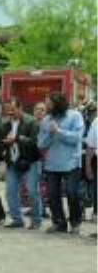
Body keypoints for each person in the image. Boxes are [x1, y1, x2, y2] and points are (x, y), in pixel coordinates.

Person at [38, 91, 85, 234]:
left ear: (58, 103)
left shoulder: (75, 116)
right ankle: (59, 223)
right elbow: (41, 144)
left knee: (72, 193)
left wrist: (59, 131)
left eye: (49, 104)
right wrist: (51, 135)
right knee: (52, 194)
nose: (47, 107)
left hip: (71, 162)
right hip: (52, 163)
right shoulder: (46, 120)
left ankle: (75, 222)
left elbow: (77, 138)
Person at [0, 100, 43, 230]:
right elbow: (2, 142)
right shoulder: (5, 124)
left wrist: (17, 139)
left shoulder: (31, 122)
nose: (10, 112)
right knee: (10, 191)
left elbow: (35, 143)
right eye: (7, 110)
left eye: (13, 109)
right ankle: (17, 219)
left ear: (20, 107)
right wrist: (4, 144)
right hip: (13, 162)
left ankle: (36, 220)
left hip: (30, 162)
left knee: (32, 191)